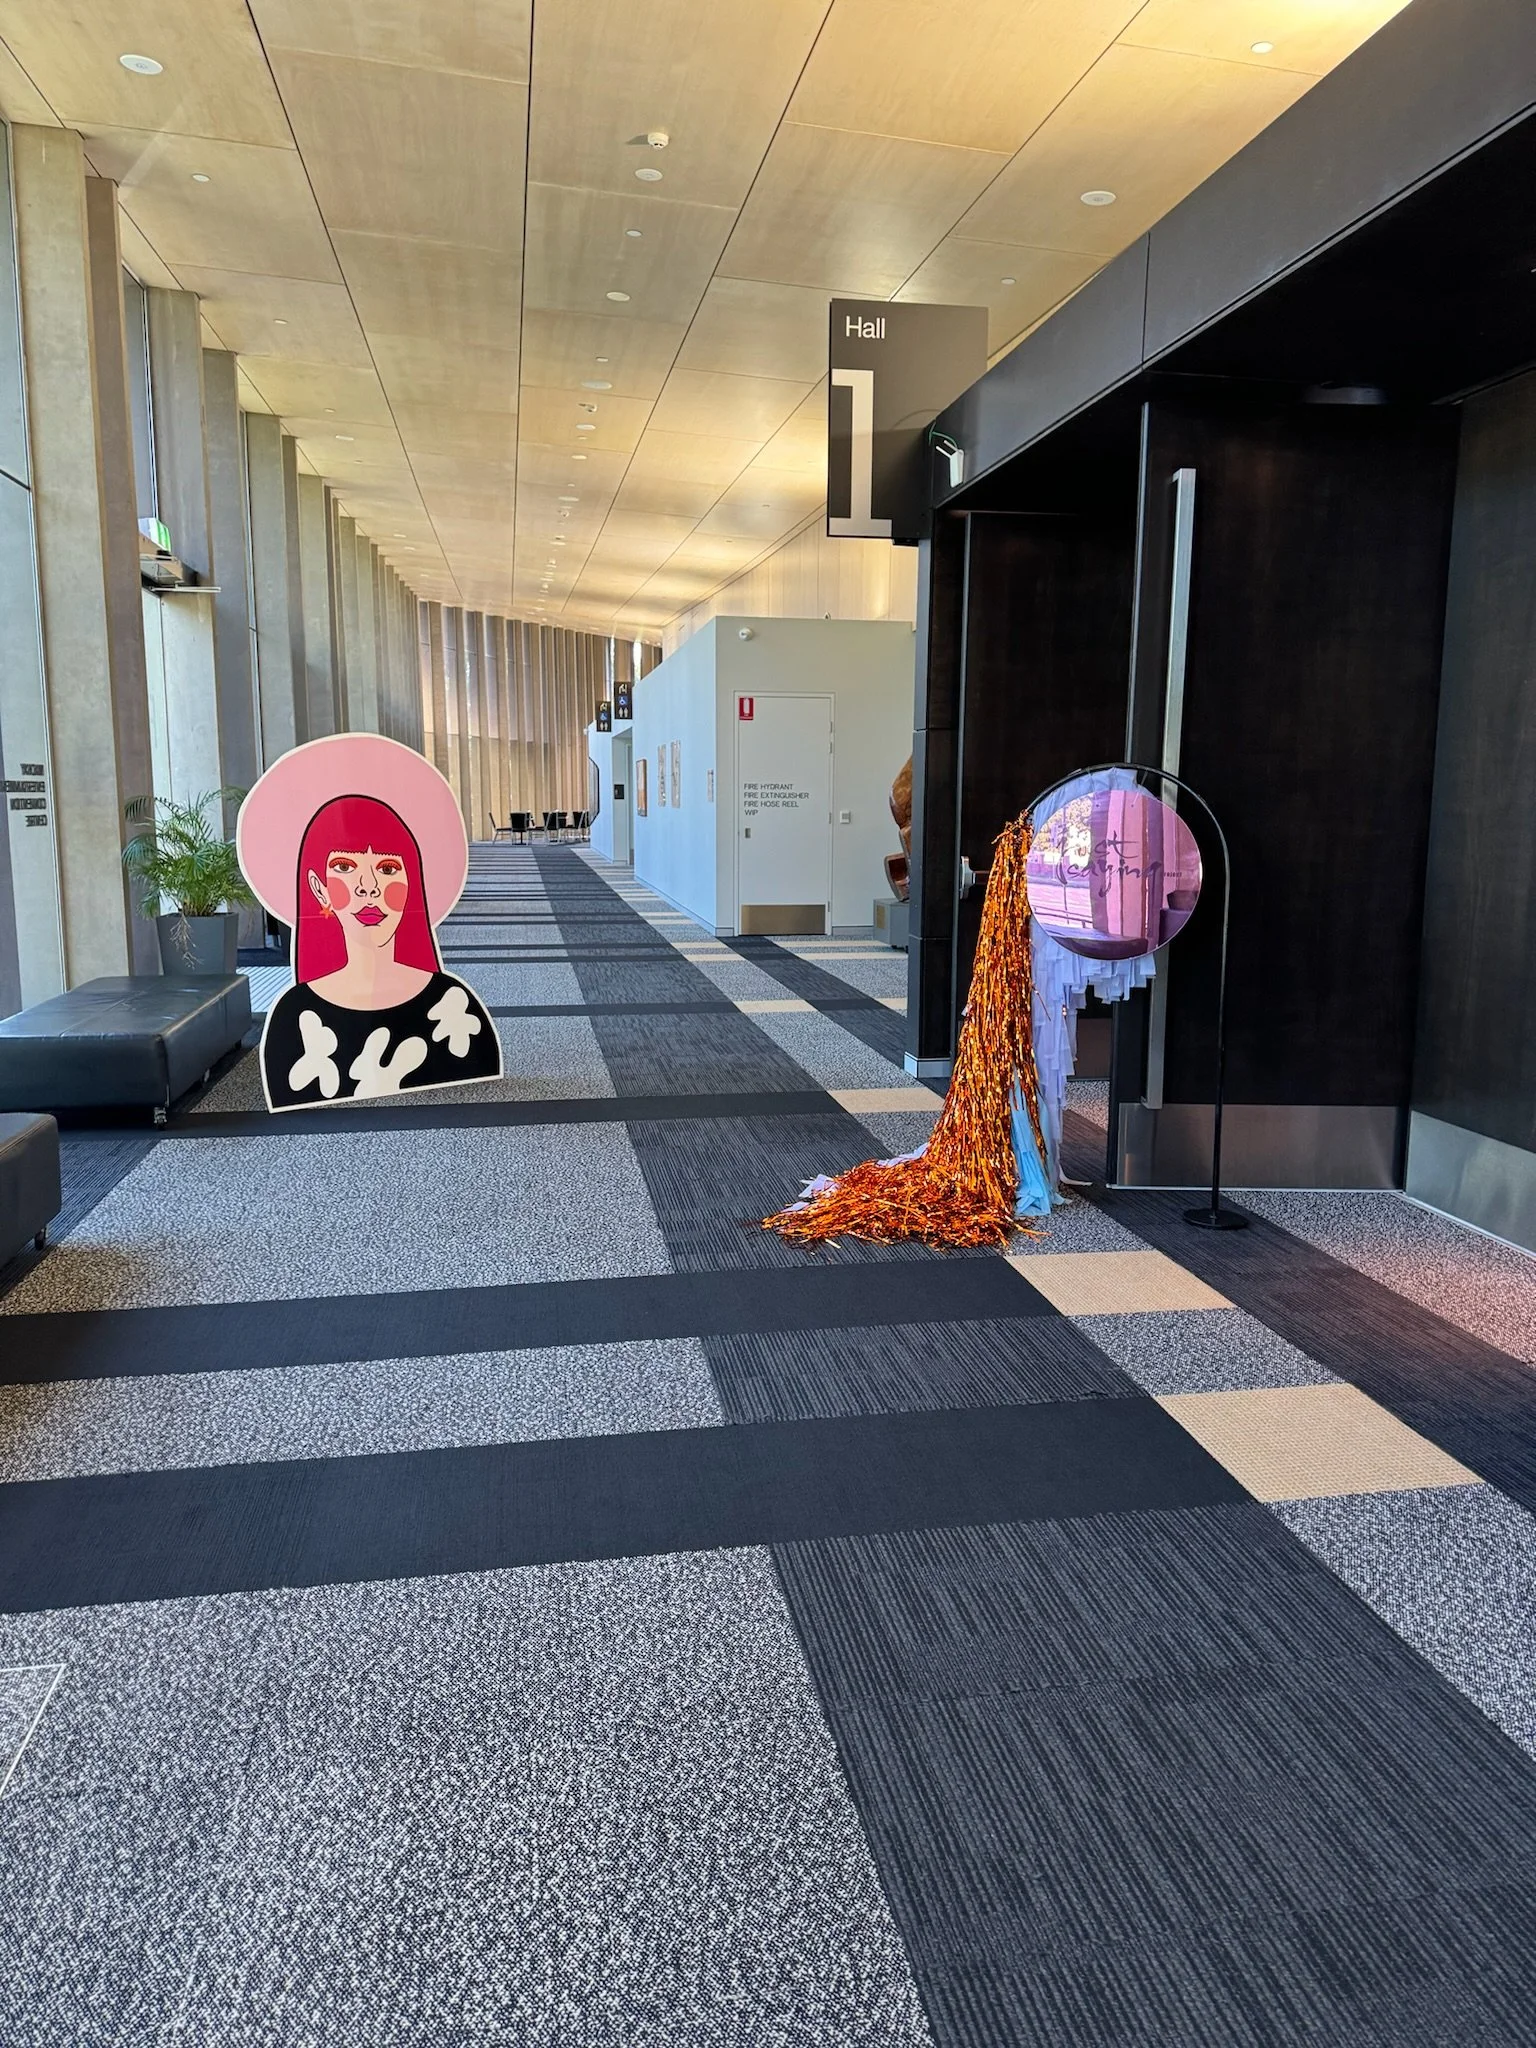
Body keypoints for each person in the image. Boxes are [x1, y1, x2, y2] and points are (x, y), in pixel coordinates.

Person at [259, 791, 501, 1111]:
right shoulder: (294, 1016)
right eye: (345, 866)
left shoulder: (453, 1003)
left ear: (411, 883)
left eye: (387, 869)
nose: (369, 886)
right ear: (320, 889)